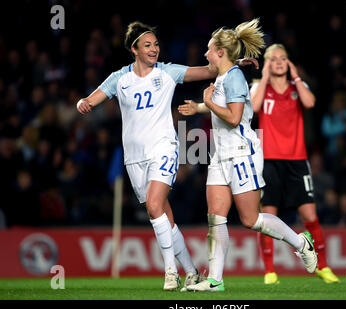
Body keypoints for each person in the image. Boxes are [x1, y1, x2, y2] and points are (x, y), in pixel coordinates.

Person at [76, 21, 255, 291]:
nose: (154, 49)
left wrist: (233, 62)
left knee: (154, 204)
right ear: (134, 49)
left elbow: (208, 70)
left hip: (163, 148)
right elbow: (91, 99)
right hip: (134, 159)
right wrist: (83, 103)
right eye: (147, 45)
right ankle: (192, 272)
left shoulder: (168, 72)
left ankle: (170, 272)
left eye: (156, 44)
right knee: (161, 215)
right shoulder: (119, 79)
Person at [178, 19, 317, 292]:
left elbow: (234, 117)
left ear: (219, 51)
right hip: (220, 155)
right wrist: (199, 108)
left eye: (209, 49)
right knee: (215, 217)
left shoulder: (234, 78)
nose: (205, 54)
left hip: (242, 153)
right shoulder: (224, 75)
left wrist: (207, 103)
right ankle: (215, 280)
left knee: (251, 220)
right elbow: (225, 106)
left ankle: (302, 243)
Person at [250, 44, 340, 284]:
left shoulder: (297, 87)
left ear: (289, 63)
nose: (279, 62)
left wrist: (296, 75)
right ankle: (270, 271)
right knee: (268, 215)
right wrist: (265, 76)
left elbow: (310, 103)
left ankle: (322, 266)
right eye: (274, 59)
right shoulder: (260, 87)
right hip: (269, 160)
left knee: (310, 214)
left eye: (283, 58)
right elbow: (254, 108)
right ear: (267, 63)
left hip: (297, 160)